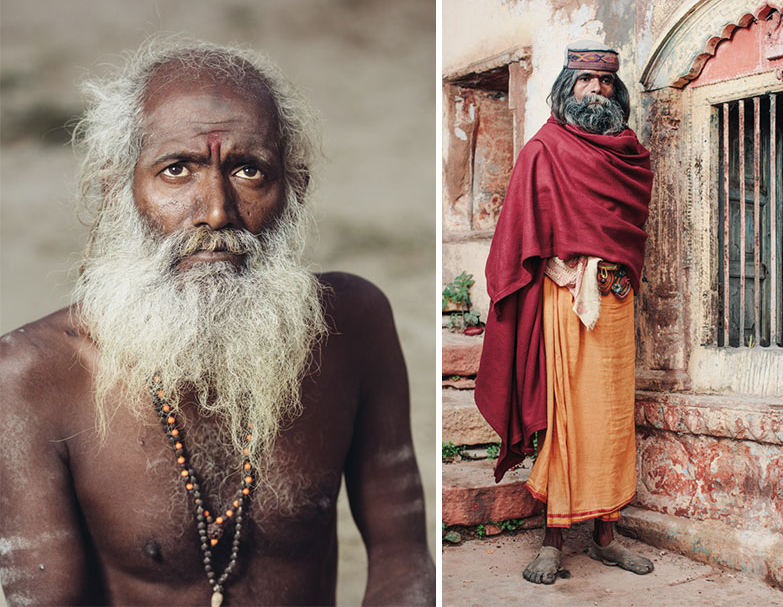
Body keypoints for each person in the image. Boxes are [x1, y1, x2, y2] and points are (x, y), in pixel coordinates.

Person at [0, 39, 434, 606]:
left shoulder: (354, 326)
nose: (215, 210)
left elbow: (403, 560)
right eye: (176, 170)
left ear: (294, 190)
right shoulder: (31, 375)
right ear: (117, 192)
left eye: (249, 170)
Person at [474, 39, 655, 585]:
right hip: (565, 298)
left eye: (604, 83)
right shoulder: (543, 149)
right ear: (567, 86)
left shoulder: (628, 152)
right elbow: (521, 230)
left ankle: (605, 536)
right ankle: (553, 539)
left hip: (617, 300)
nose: (596, 91)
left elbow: (629, 226)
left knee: (611, 420)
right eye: (585, 82)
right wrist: (555, 269)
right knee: (568, 417)